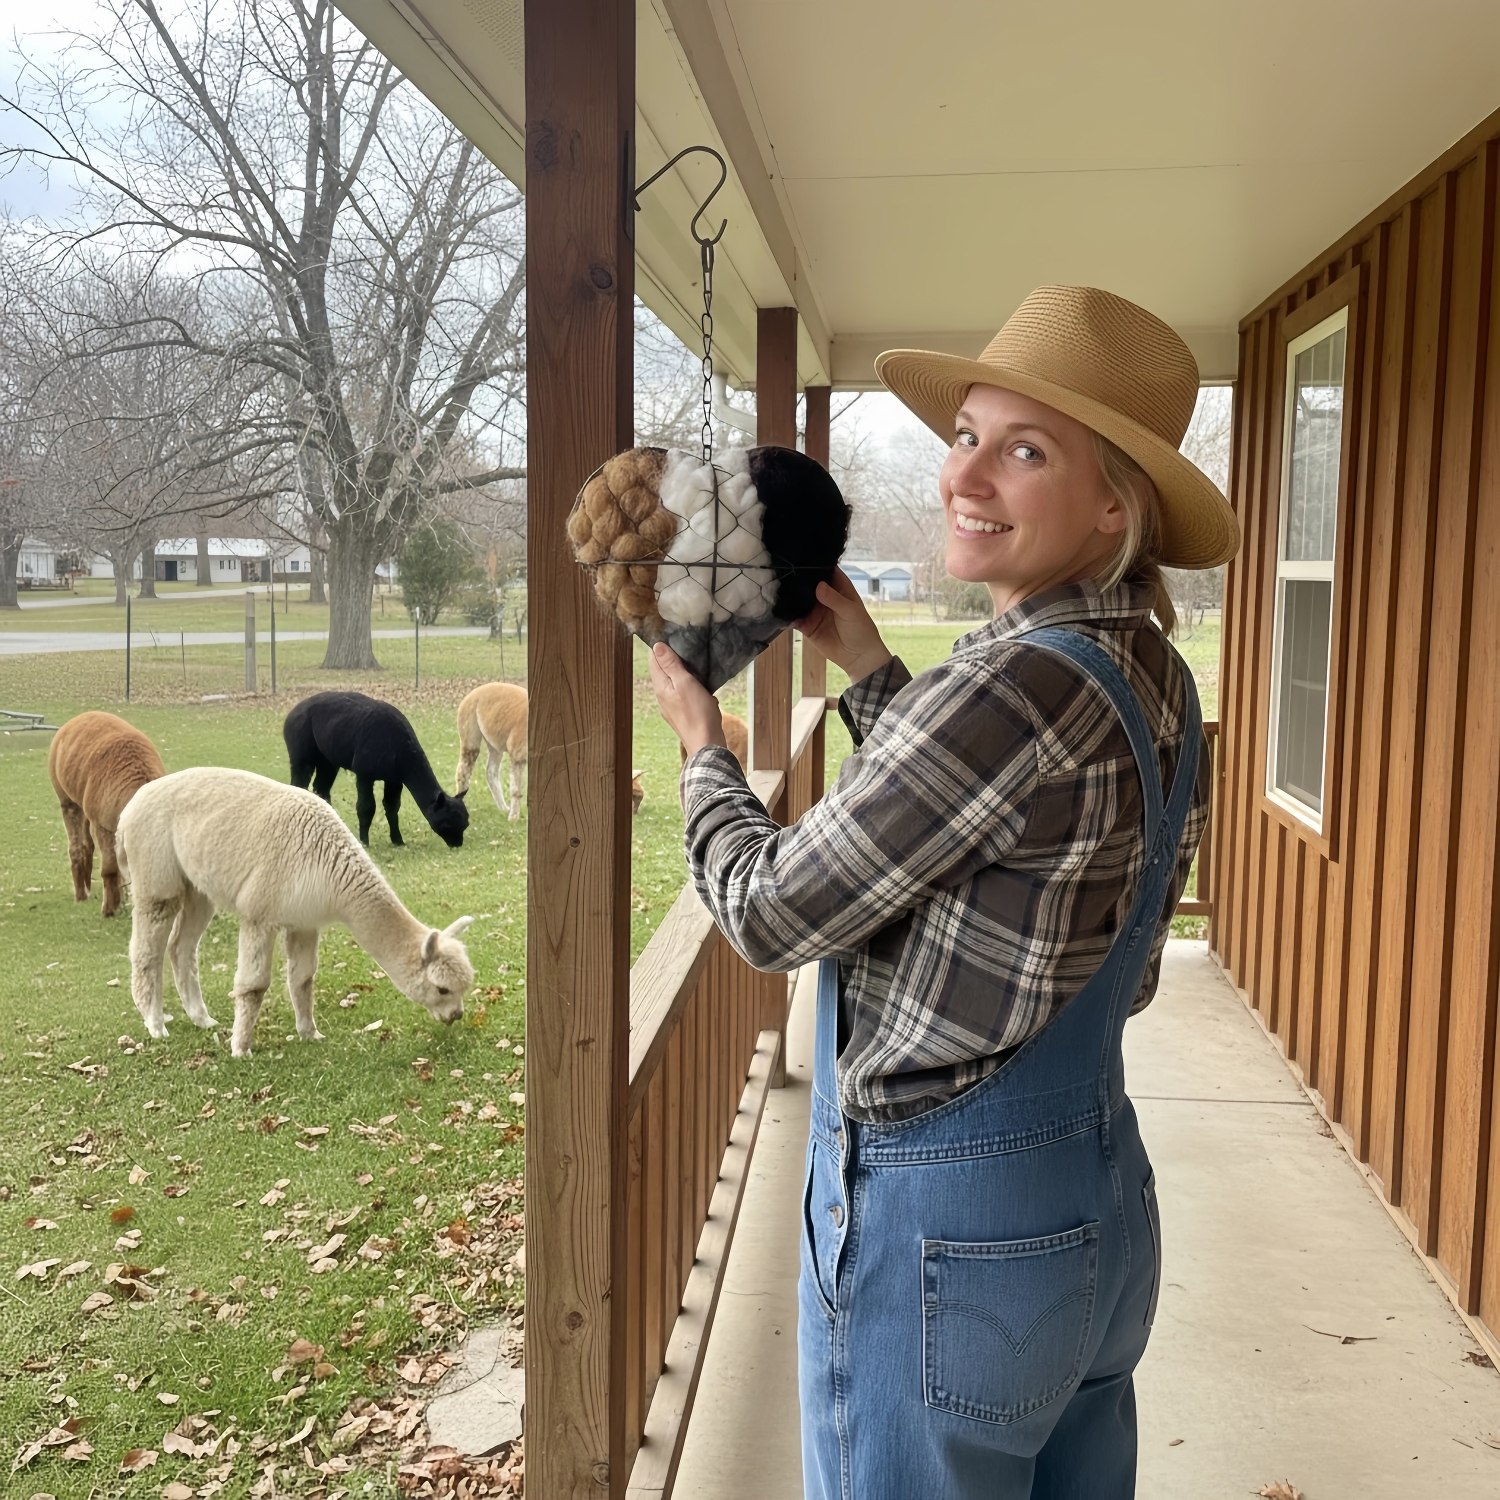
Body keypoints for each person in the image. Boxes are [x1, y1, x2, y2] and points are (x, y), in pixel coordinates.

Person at [649, 285, 1239, 1499]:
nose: (966, 476)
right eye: (966, 435)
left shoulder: (1011, 688)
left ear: (1114, 504)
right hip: (1097, 1206)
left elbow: (767, 911)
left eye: (1026, 451)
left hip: (949, 1240)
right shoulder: (1153, 678)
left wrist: (703, 750)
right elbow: (1008, 849)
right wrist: (871, 672)